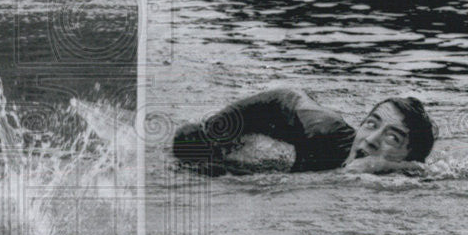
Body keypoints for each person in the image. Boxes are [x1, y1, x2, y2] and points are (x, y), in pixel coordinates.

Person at [172, 87, 435, 176]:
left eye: (392, 137)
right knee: (195, 151)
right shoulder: (322, 140)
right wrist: (349, 174)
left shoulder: (409, 171)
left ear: (410, 155)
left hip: (303, 119)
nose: (371, 139)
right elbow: (291, 188)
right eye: (370, 124)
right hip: (271, 108)